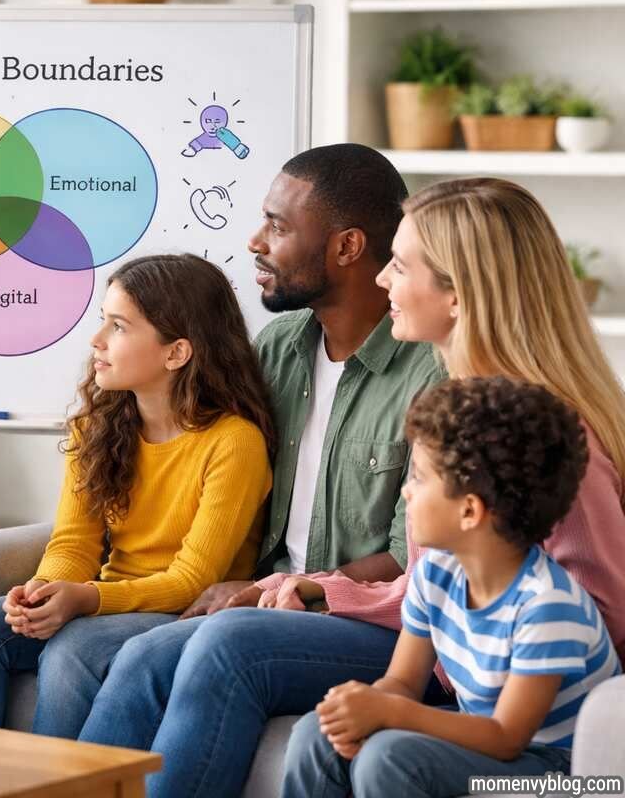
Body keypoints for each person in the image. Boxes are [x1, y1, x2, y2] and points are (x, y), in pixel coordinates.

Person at [85, 177, 625, 797]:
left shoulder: (540, 433)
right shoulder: (448, 411)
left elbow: (593, 615)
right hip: (450, 665)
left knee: (235, 644)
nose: (381, 279)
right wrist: (321, 589)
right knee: (171, 658)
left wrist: (424, 671)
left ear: (458, 295)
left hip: (523, 714)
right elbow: (437, 585)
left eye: (399, 264)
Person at [77, 144, 446, 796]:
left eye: (278, 226)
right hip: (269, 596)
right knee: (105, 652)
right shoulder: (277, 348)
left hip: (365, 617)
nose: (255, 241)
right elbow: (204, 457)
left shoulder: (427, 371)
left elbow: (407, 557)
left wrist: (285, 588)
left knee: (201, 651)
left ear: (347, 246)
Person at [0, 254, 274, 738]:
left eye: (118, 326)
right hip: (111, 599)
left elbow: (192, 579)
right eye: (103, 322)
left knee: (78, 647)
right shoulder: (96, 428)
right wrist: (43, 593)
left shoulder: (234, 442)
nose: (96, 341)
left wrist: (85, 599)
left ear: (176, 352)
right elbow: (74, 543)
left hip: (183, 613)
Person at [283, 377, 620, 797]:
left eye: (420, 479)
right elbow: (402, 683)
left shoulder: (548, 607)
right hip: (490, 748)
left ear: (469, 510)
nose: (406, 492)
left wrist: (391, 712)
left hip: (555, 772)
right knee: (318, 732)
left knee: (390, 757)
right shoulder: (435, 575)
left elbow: (505, 736)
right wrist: (360, 708)